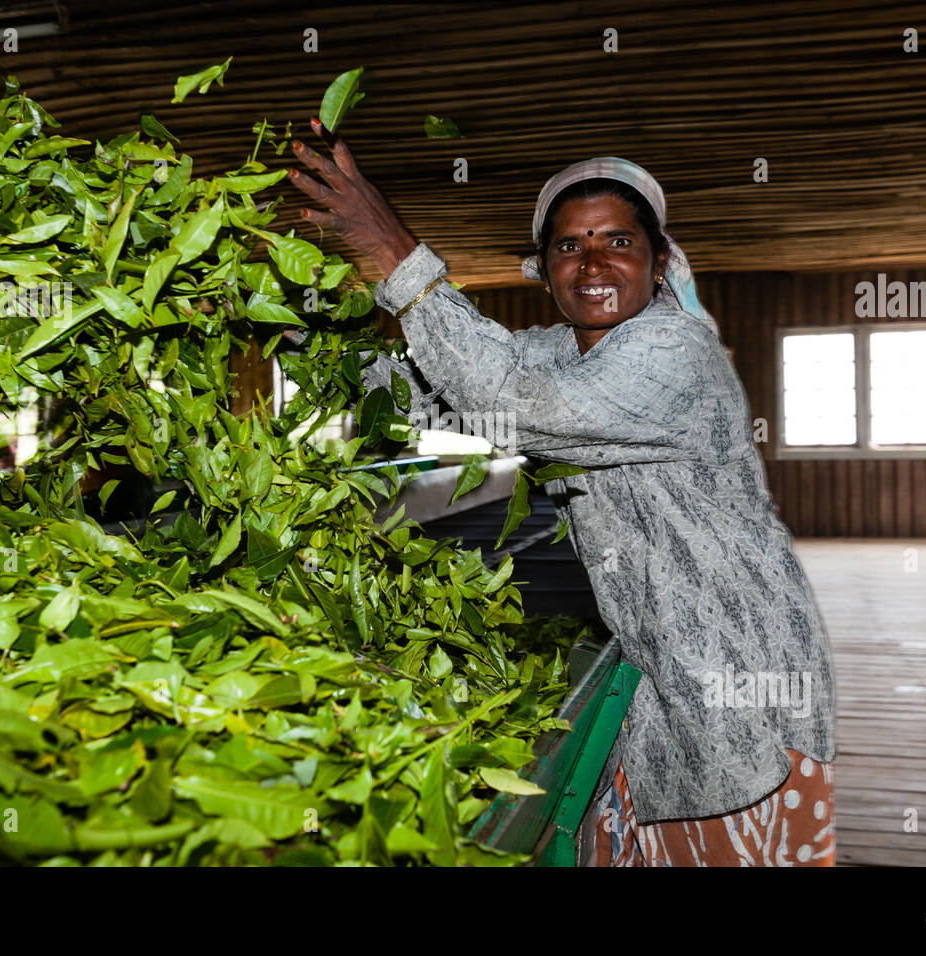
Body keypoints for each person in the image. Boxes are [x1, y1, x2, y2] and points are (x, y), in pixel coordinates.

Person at [287, 118, 838, 867]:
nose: (593, 263)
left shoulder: (675, 352)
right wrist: (290, 324)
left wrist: (394, 251)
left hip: (736, 673)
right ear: (543, 271)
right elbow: (435, 394)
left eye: (618, 241)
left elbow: (517, 404)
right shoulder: (558, 352)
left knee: (722, 812)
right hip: (654, 659)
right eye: (569, 247)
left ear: (659, 263)